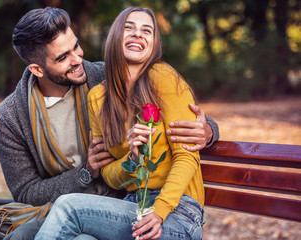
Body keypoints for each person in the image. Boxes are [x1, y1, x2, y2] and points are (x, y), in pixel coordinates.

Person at [0, 7, 218, 240]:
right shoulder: (13, 116)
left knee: (29, 235)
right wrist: (88, 171)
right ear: (36, 69)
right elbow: (26, 193)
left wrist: (209, 131)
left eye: (76, 46)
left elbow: (180, 119)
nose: (78, 59)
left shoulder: (104, 75)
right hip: (56, 206)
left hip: (129, 205)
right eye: (63, 57)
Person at [35, 6, 208, 240]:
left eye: (147, 31)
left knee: (68, 207)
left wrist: (159, 211)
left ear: (154, 44)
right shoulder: (98, 97)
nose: (137, 34)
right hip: (131, 206)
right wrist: (133, 160)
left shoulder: (163, 77)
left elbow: (187, 156)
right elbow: (107, 174)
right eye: (129, 27)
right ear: (116, 36)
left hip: (178, 213)